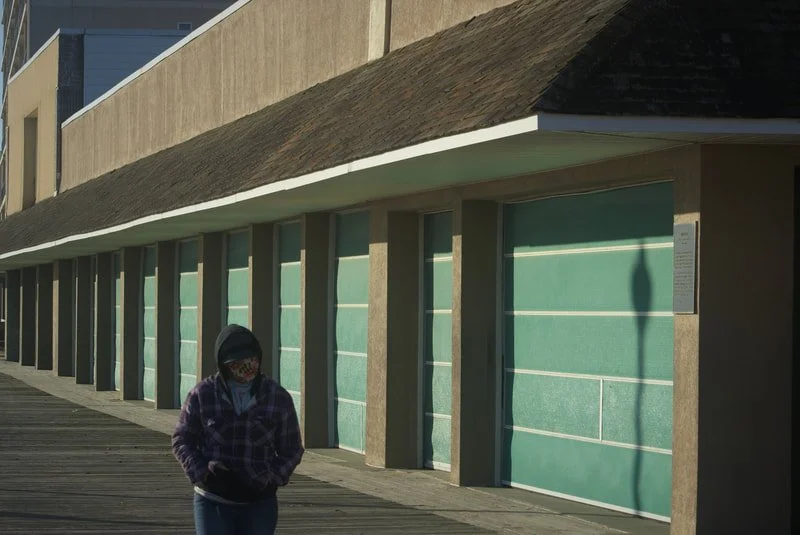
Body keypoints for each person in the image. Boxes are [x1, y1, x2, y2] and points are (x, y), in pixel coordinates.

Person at [172, 324, 304, 535]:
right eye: (236, 363)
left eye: (251, 359)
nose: (245, 367)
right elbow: (182, 439)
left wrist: (272, 478)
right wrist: (201, 472)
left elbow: (293, 448)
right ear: (224, 365)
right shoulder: (202, 394)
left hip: (259, 503)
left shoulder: (277, 398)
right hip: (212, 500)